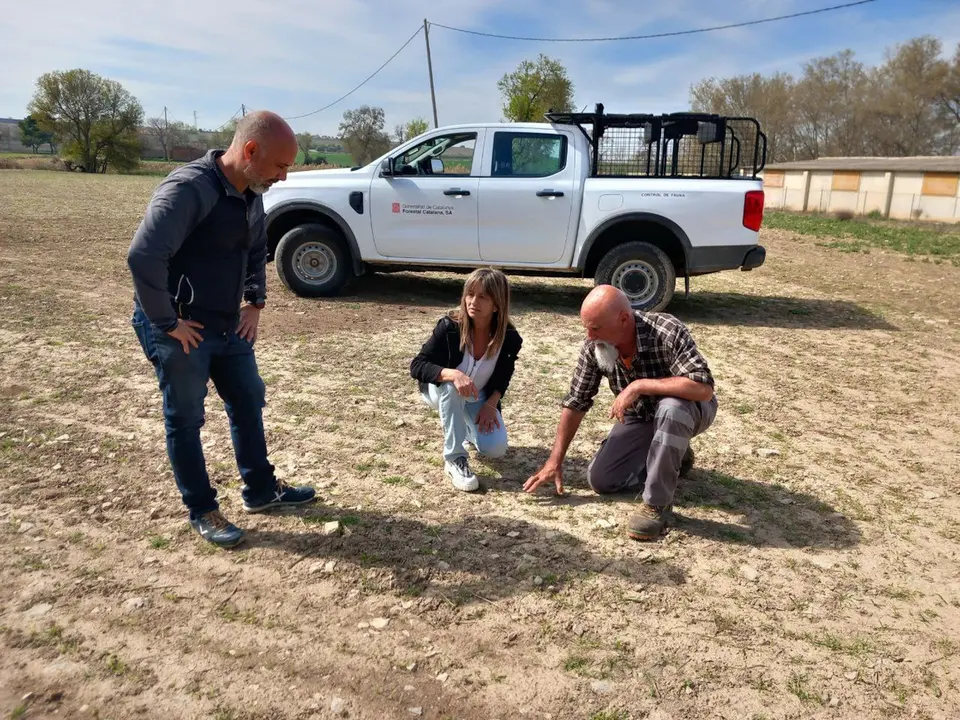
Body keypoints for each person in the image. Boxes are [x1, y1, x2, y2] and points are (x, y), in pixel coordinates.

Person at [127, 110, 316, 548]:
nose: (283, 178)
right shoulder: (189, 189)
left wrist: (255, 301)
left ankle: (261, 490)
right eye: (281, 166)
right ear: (250, 151)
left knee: (248, 397)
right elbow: (143, 257)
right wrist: (167, 322)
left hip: (228, 325)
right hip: (182, 328)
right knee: (186, 418)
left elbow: (255, 249)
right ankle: (202, 508)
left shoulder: (252, 190)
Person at [524, 285, 717, 541]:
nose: (589, 336)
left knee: (671, 408)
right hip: (642, 416)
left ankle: (656, 505)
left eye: (596, 328)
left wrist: (639, 385)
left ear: (624, 319)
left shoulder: (666, 329)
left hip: (687, 408)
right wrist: (554, 461)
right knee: (602, 480)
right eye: (586, 327)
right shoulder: (594, 346)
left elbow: (703, 387)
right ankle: (673, 455)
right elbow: (576, 401)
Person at [410, 268, 523, 492]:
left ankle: (464, 430)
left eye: (483, 296)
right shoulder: (449, 327)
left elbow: (504, 373)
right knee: (452, 388)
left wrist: (491, 403)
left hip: (478, 396)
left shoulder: (509, 338)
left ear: (497, 304)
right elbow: (418, 365)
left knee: (495, 449)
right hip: (441, 391)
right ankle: (454, 458)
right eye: (470, 294)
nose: (473, 301)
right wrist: (452, 373)